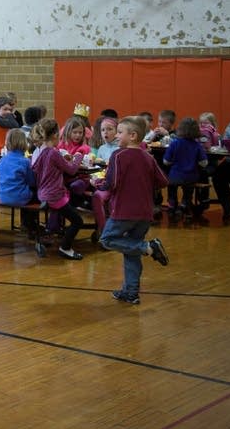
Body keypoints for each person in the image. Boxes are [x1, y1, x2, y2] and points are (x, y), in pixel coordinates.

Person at [97, 116, 170, 304]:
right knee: (131, 251)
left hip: (124, 211)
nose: (116, 136)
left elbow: (111, 183)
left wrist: (97, 183)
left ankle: (148, 248)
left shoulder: (118, 156)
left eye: (120, 132)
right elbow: (163, 181)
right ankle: (131, 293)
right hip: (145, 212)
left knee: (107, 239)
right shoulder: (148, 158)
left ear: (133, 135)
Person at [30, 118, 85, 260]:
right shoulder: (53, 153)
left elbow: (35, 168)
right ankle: (65, 248)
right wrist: (79, 156)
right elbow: (72, 170)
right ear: (55, 135)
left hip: (43, 193)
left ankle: (47, 234)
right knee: (77, 221)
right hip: (54, 195)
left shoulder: (42, 152)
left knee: (61, 211)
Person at [163, 117, 208, 224]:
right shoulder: (197, 145)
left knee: (172, 188)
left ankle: (172, 204)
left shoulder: (174, 143)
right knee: (188, 192)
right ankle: (184, 205)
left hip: (175, 175)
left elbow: (166, 161)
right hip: (191, 176)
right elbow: (204, 163)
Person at [0, 129, 41, 238]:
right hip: (19, 197)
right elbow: (32, 182)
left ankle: (25, 224)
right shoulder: (25, 161)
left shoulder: (2, 160)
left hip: (2, 196)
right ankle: (31, 225)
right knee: (37, 194)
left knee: (23, 192)